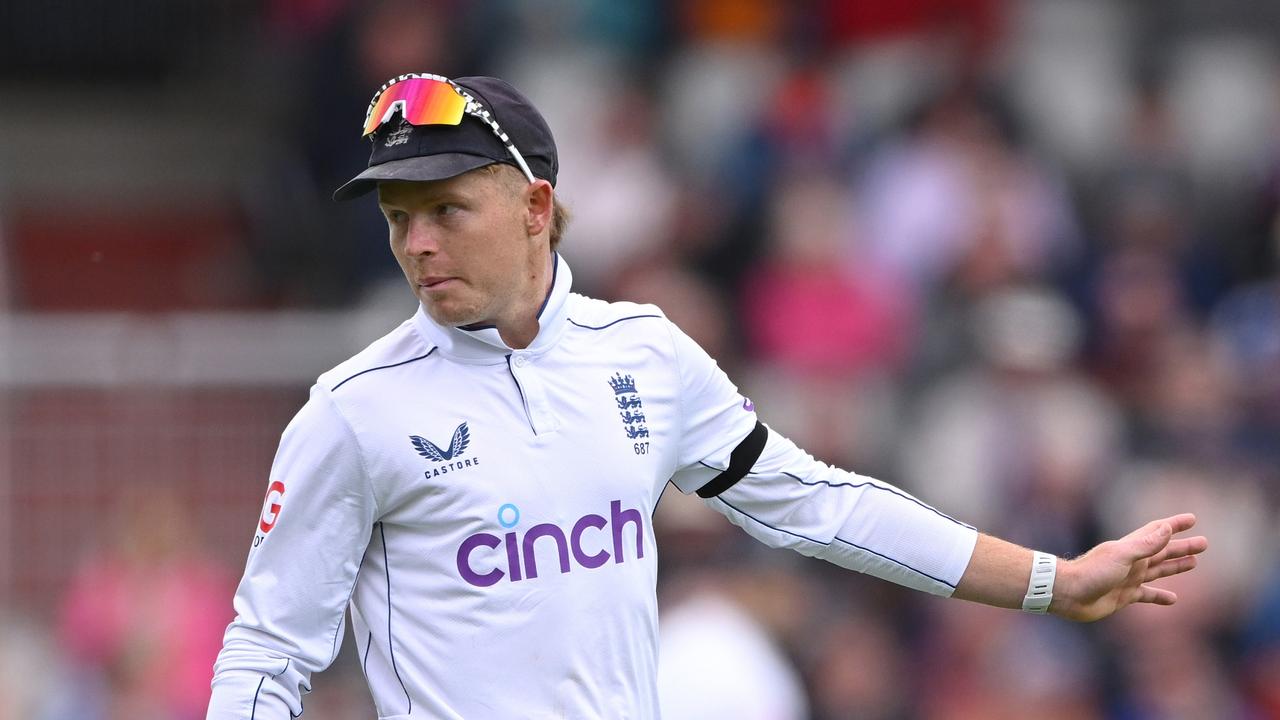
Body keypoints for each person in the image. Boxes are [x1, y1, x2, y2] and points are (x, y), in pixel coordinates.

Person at [206, 73, 1208, 719]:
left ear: (536, 208)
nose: (414, 244)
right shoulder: (351, 408)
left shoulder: (642, 354)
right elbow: (267, 649)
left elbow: (821, 506)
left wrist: (1052, 583)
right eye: (396, 217)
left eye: (444, 210)